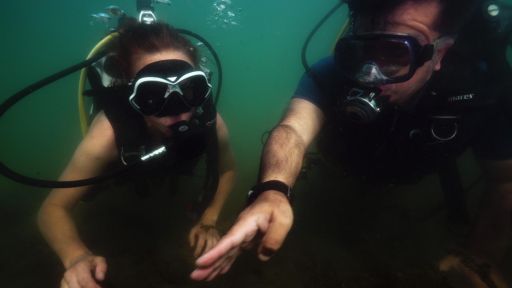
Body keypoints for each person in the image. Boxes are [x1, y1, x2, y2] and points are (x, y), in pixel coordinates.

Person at [191, 0, 512, 285]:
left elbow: (505, 181)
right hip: (336, 175)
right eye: (359, 51)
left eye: (395, 52)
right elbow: (293, 128)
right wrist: (272, 190)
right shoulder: (332, 73)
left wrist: (479, 255)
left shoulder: (486, 92)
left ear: (440, 52)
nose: (369, 73)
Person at [37, 19, 235, 288]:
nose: (178, 111)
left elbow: (227, 169)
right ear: (131, 93)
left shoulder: (210, 122)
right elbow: (52, 209)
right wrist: (75, 257)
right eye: (153, 94)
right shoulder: (108, 134)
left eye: (189, 90)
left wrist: (210, 219)